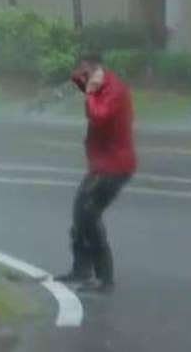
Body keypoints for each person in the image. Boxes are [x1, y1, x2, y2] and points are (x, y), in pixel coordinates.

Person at [55, 51, 137, 293]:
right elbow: (76, 80)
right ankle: (81, 268)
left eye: (85, 70)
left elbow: (99, 116)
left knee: (88, 216)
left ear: (95, 68)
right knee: (80, 216)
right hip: (102, 164)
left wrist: (90, 91)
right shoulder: (101, 84)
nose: (83, 76)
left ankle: (104, 277)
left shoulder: (114, 90)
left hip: (115, 166)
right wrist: (84, 79)